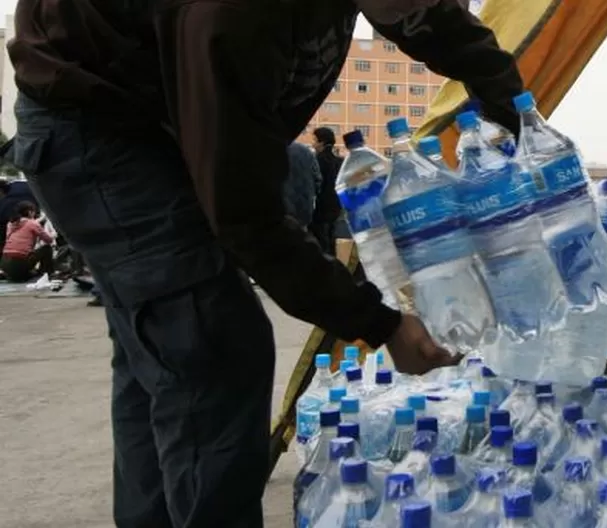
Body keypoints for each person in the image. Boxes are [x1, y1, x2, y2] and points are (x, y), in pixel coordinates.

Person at [7, 1, 523, 526]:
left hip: (151, 117)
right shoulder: (235, 14)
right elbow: (246, 215)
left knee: (164, 350)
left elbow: (433, 22)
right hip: (96, 124)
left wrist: (516, 114)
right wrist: (381, 324)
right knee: (210, 341)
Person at [310, 127, 344, 255]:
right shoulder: (339, 161)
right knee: (331, 239)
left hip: (320, 207)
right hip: (336, 206)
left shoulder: (317, 160)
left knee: (320, 240)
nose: (313, 144)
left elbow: (315, 183)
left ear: (321, 142)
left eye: (314, 140)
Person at [1, 201, 54, 282]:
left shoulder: (10, 223)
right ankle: (45, 273)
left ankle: (14, 275)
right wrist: (53, 234)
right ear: (30, 212)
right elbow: (49, 240)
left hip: (4, 262)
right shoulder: (32, 223)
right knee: (47, 248)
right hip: (18, 263)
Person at [283, 141, 322, 229]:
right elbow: (317, 179)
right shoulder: (305, 151)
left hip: (276, 213)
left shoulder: (266, 150)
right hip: (302, 211)